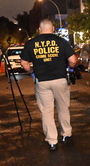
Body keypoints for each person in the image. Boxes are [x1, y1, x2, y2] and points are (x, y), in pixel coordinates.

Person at [20, 19, 77, 151]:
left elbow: (24, 63)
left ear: (40, 30)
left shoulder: (31, 43)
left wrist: (32, 71)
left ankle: (52, 141)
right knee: (63, 108)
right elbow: (73, 60)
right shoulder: (61, 42)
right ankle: (66, 134)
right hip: (60, 80)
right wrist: (70, 68)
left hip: (42, 81)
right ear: (53, 29)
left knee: (46, 111)